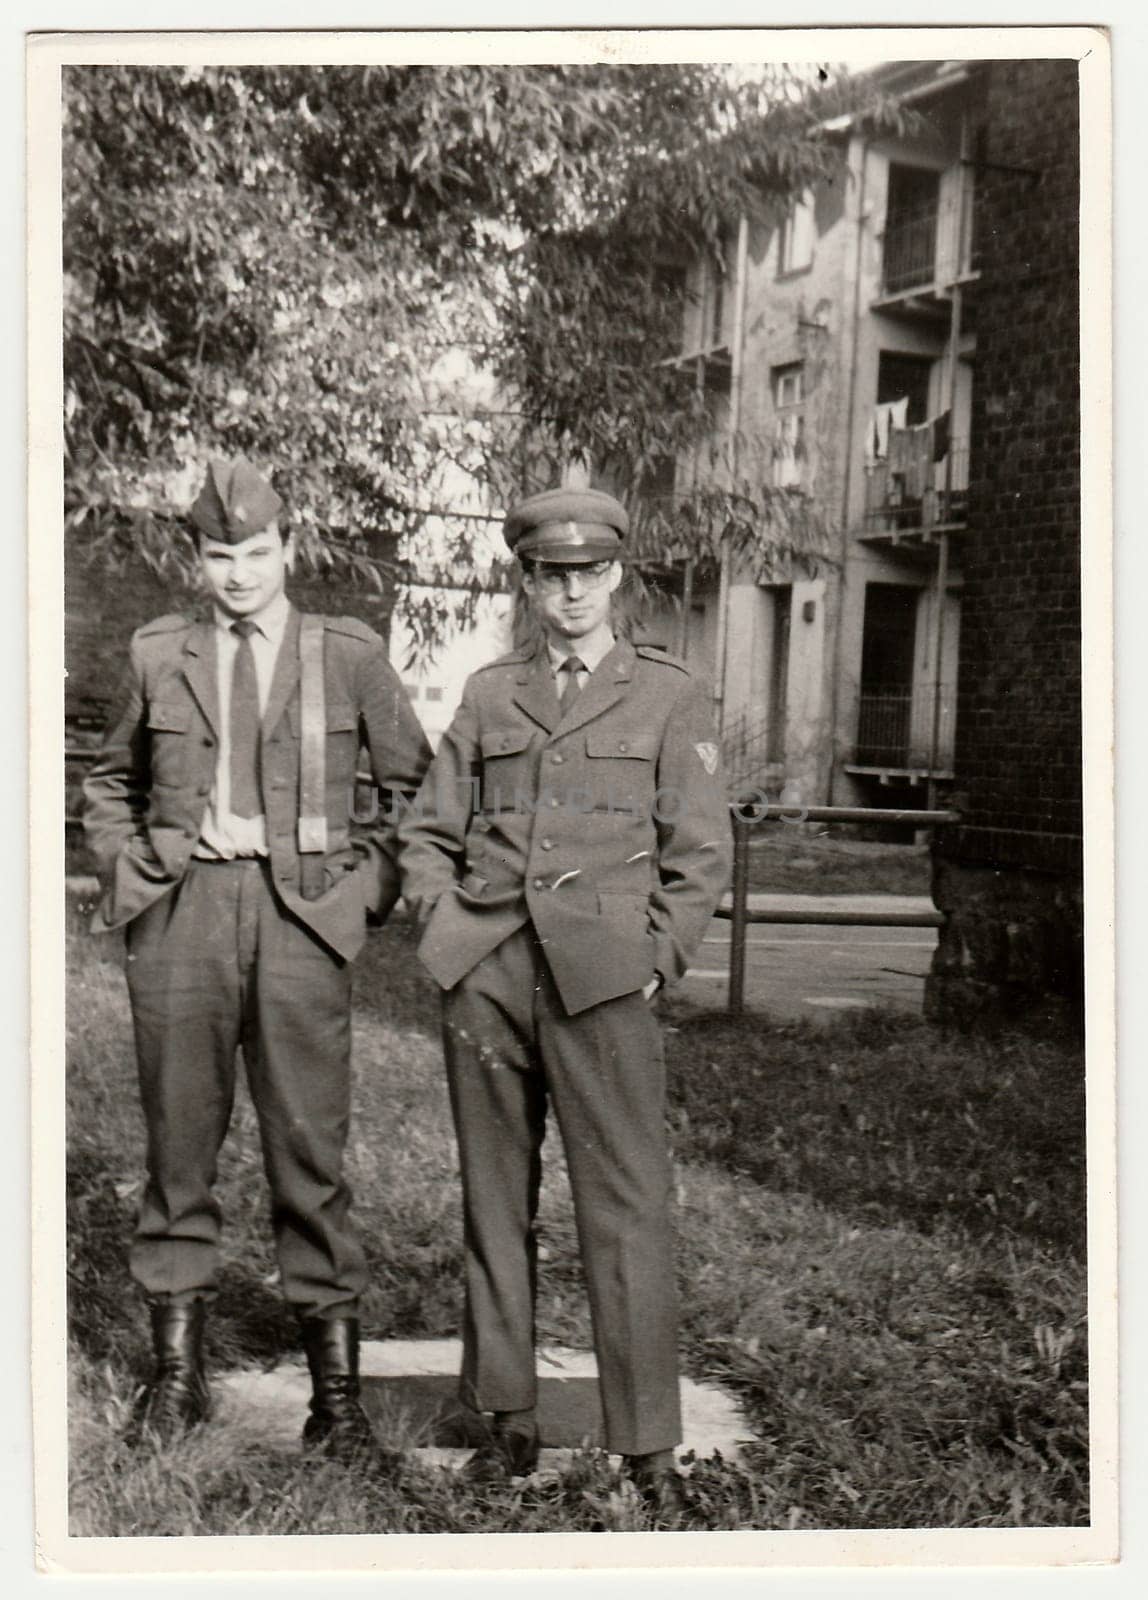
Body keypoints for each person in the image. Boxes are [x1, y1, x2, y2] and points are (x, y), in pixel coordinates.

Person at [82, 458, 433, 1464]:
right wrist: (132, 866)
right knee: (177, 1149)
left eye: (256, 553)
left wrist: (357, 899)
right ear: (197, 559)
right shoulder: (160, 653)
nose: (237, 574)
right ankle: (177, 1380)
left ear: (289, 547)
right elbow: (109, 779)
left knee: (309, 1157)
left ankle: (336, 1402)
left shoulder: (347, 654)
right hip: (185, 913)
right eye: (219, 554)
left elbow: (416, 793)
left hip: (300, 922)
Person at [398, 487, 732, 1518]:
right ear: (529, 582)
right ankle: (504, 1414)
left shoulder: (668, 693)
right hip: (488, 971)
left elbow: (699, 850)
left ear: (617, 577)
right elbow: (427, 828)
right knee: (493, 1198)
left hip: (600, 980)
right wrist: (436, 921)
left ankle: (644, 1445)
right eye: (551, 574)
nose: (571, 590)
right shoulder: (492, 693)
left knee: (624, 1205)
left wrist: (653, 959)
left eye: (589, 572)